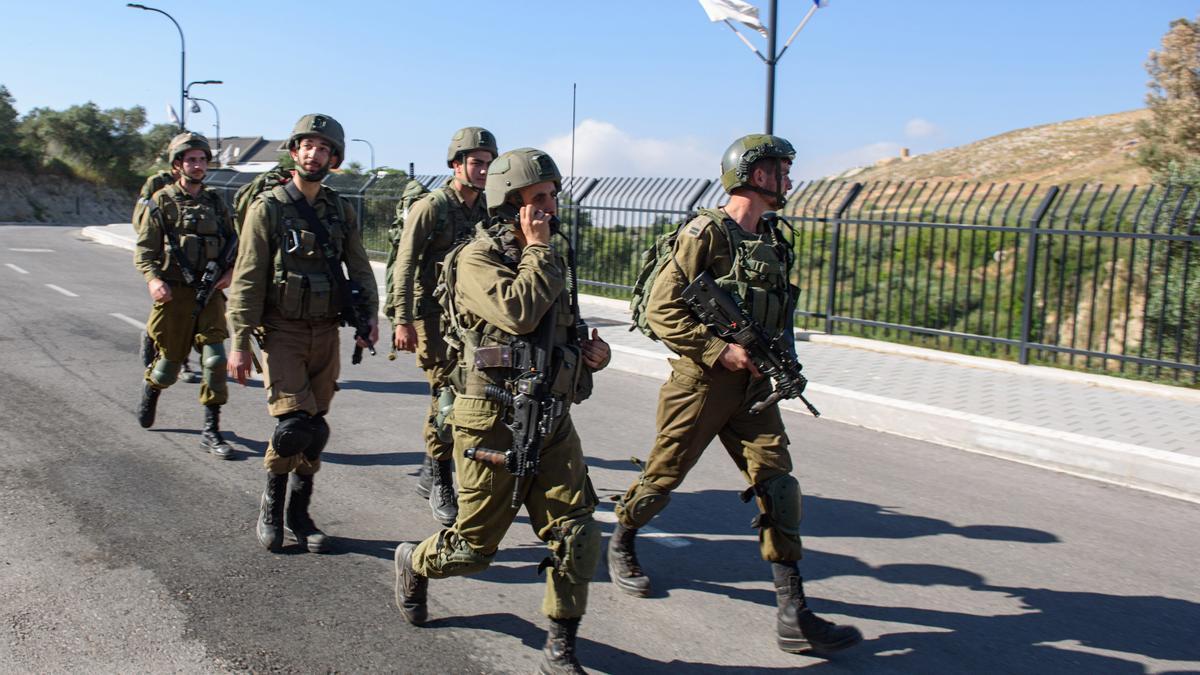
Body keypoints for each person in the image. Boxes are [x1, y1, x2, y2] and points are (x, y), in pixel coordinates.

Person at [607, 135, 863, 655]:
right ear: (755, 174)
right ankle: (622, 540)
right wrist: (718, 350)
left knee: (779, 486)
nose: (789, 179)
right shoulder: (706, 232)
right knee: (663, 477)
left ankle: (794, 613)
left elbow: (779, 314)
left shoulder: (772, 239)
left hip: (753, 386)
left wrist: (784, 365)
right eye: (781, 169)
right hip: (701, 384)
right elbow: (662, 310)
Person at [394, 148, 610, 674]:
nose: (550, 210)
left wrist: (592, 356)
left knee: (578, 532)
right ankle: (414, 563)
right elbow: (517, 311)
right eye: (540, 199)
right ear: (511, 205)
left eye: (553, 198)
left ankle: (560, 649)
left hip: (550, 415)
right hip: (490, 418)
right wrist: (539, 251)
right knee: (472, 549)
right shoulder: (476, 258)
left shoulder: (550, 256)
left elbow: (558, 331)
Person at [226, 114, 379, 554]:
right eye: (307, 145)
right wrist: (239, 343)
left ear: (334, 158)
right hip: (282, 331)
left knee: (315, 427)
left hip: (326, 330)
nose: (314, 153)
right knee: (292, 425)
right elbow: (249, 278)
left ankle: (300, 511)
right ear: (295, 152)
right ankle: (272, 507)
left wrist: (369, 317)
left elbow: (359, 267)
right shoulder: (269, 208)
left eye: (323, 148)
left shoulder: (339, 210)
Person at [388, 127, 497, 527]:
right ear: (456, 165)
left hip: (468, 319)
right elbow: (404, 265)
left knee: (469, 391)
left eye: (488, 164)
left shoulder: (485, 208)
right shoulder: (432, 207)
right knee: (447, 395)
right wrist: (403, 319)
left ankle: (429, 466)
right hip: (431, 316)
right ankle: (440, 480)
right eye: (476, 163)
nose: (483, 171)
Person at [134, 131, 236, 459]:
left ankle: (211, 429)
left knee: (216, 359)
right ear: (178, 165)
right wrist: (153, 280)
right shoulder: (162, 200)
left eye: (202, 159)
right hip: (174, 295)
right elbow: (145, 251)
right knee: (167, 368)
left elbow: (235, 245)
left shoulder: (217, 201)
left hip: (208, 295)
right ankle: (152, 390)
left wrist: (230, 273)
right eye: (191, 159)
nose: (198, 165)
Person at [134, 168, 200, 383]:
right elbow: (140, 216)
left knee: (189, 313)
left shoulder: (198, 188)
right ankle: (152, 337)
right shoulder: (158, 183)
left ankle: (183, 361)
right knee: (165, 310)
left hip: (190, 262)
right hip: (164, 259)